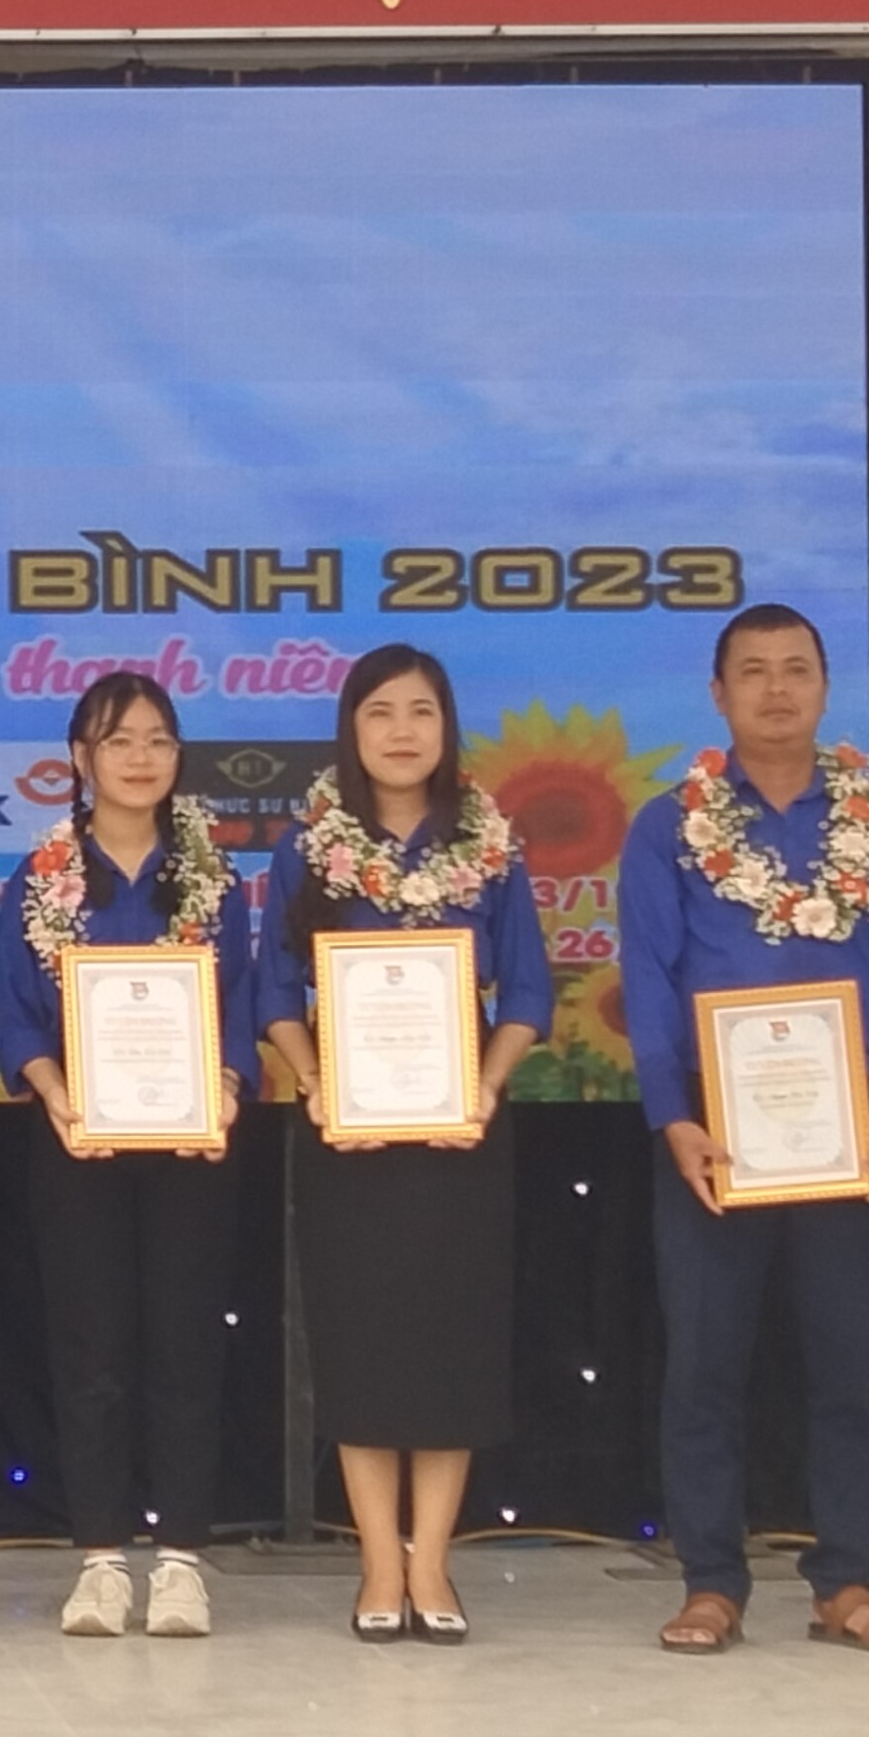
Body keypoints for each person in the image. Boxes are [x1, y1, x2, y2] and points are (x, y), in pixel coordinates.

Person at [617, 603, 869, 1657]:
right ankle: (711, 1581)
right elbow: (647, 977)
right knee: (704, 1366)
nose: (775, 687)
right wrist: (672, 1116)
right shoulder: (668, 826)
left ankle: (845, 1579)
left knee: (851, 1364)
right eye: (751, 670)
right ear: (717, 694)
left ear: (825, 687)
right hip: (713, 1132)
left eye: (795, 668)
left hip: (850, 1129)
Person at [253, 646, 551, 1644]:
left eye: (420, 711)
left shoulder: (487, 842)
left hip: (460, 1127)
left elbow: (528, 987)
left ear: (445, 726)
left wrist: (485, 1080)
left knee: (451, 1343)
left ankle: (433, 1560)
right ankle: (379, 1559)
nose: (400, 731)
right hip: (348, 1132)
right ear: (351, 728)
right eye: (379, 712)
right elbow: (273, 988)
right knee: (363, 1343)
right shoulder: (308, 847)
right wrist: (313, 1078)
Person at [0, 671, 257, 1642]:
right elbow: (18, 1011)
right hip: (78, 1141)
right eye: (118, 740)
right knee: (90, 1350)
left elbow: (241, 1002)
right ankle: (100, 1558)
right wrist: (55, 1091)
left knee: (184, 1347)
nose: (140, 757)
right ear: (80, 757)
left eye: (157, 739)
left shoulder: (212, 878)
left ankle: (181, 1559)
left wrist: (225, 1082)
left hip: (189, 1142)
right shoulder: (41, 878)